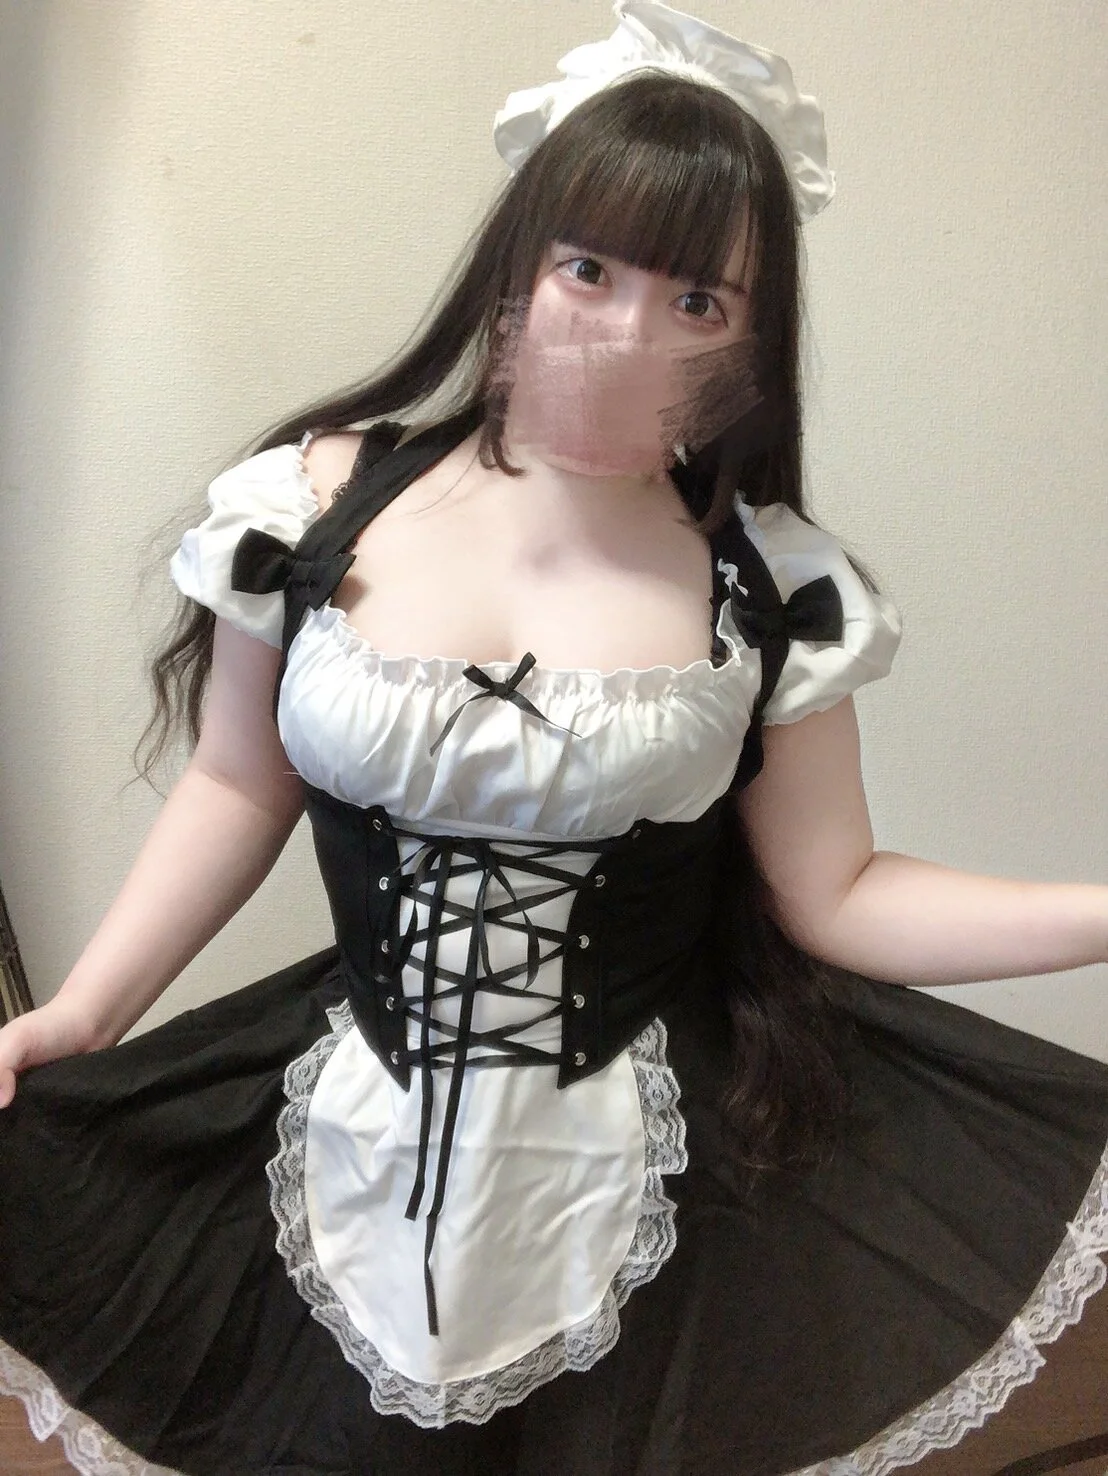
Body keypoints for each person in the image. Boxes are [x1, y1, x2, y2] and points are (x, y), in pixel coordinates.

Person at [1, 3, 1106, 1473]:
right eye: (590, 268)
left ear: (754, 342)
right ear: (516, 270)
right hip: (349, 1122)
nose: (626, 334)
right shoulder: (309, 507)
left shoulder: (773, 589)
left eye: (697, 300)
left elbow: (837, 895)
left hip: (656, 1166)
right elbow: (233, 781)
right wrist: (84, 1015)